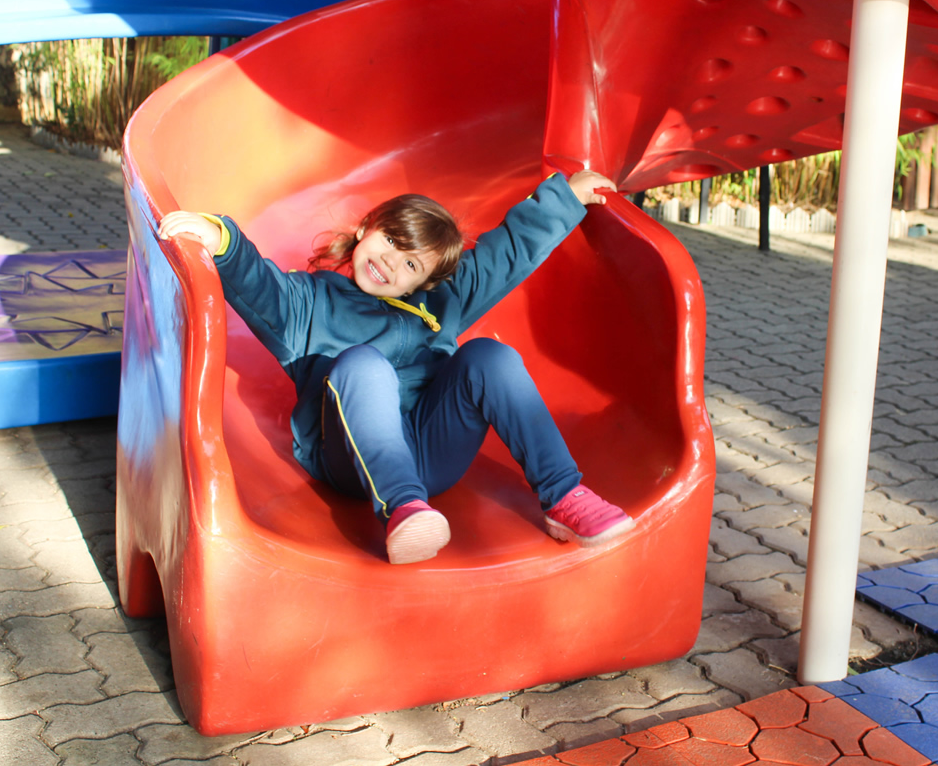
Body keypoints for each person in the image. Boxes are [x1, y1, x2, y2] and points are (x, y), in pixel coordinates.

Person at [158, 169, 636, 564]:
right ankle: (403, 510)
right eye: (389, 239)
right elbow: (257, 283)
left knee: (490, 356)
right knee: (364, 365)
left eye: (411, 266)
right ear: (367, 227)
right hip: (353, 461)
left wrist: (565, 199)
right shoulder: (308, 303)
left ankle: (563, 496)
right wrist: (221, 238)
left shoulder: (440, 304)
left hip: (433, 449)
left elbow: (501, 257)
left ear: (425, 281)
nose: (390, 263)